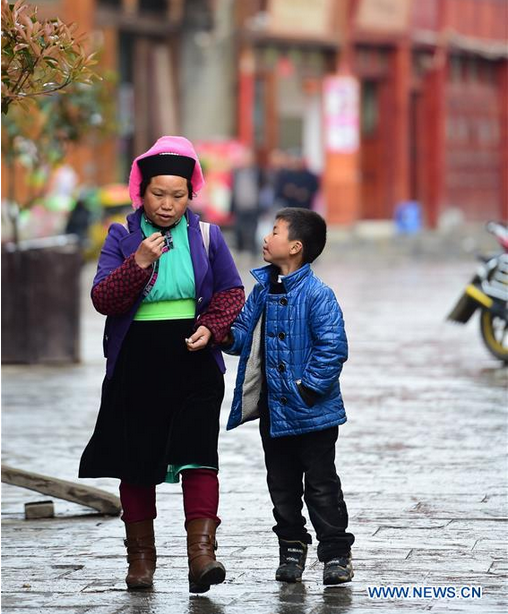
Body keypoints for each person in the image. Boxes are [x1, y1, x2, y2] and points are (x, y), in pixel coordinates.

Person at [79, 136, 245, 593]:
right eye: (158, 194)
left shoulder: (208, 236)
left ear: (191, 194)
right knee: (137, 461)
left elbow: (232, 292)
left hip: (192, 359)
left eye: (178, 195)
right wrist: (138, 262)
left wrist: (211, 327)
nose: (168, 205)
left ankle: (202, 557)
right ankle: (141, 560)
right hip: (138, 362)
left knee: (198, 456)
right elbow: (103, 299)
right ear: (141, 191)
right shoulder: (121, 237)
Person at [222, 207, 355, 585]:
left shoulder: (318, 295)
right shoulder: (262, 290)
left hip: (313, 412)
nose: (267, 238)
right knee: (281, 485)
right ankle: (292, 548)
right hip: (274, 412)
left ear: (295, 247)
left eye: (275, 232)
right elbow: (243, 332)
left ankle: (335, 552)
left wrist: (307, 388)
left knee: (321, 484)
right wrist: (221, 335)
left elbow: (332, 348)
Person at [230, 148, 263, 256]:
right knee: (239, 228)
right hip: (240, 205)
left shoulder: (258, 172)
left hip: (253, 205)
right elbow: (233, 190)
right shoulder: (236, 172)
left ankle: (251, 250)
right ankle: (241, 249)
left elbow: (263, 188)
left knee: (252, 229)